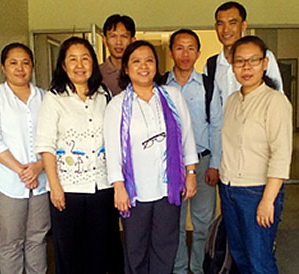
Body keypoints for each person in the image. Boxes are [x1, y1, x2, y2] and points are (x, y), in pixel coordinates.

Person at [104, 40, 198, 274]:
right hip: (135, 192)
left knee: (166, 245)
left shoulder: (172, 96)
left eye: (149, 60)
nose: (143, 66)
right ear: (126, 68)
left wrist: (191, 173)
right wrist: (118, 187)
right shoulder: (117, 105)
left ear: (156, 65)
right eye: (136, 61)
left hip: (168, 187)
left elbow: (187, 136)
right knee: (135, 248)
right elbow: (112, 149)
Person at [34, 37, 119, 274]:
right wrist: (55, 187)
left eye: (85, 58)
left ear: (93, 63)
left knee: (100, 253)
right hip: (68, 190)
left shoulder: (104, 95)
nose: (79, 64)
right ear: (63, 65)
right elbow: (46, 145)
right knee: (69, 254)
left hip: (102, 188)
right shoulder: (54, 98)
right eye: (72, 59)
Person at [219, 36, 291, 274]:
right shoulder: (231, 101)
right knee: (240, 255)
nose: (246, 67)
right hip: (230, 189)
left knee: (259, 260)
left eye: (253, 60)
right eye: (240, 61)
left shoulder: (275, 102)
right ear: (232, 64)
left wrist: (268, 201)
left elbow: (281, 154)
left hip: (258, 191)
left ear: (265, 63)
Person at [0, 43, 49, 274]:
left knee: (37, 239)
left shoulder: (46, 98)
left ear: (33, 67)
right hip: (6, 182)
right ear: (3, 67)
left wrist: (38, 167)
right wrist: (22, 171)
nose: (20, 68)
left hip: (42, 182)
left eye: (26, 62)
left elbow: (54, 139)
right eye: (13, 63)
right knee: (11, 243)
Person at [165, 29, 223, 274]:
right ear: (171, 52)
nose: (185, 53)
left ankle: (198, 268)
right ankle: (178, 269)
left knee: (202, 223)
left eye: (190, 48)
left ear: (198, 53)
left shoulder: (208, 85)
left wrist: (215, 164)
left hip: (202, 162)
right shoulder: (159, 84)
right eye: (179, 47)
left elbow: (217, 126)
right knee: (173, 224)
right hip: (170, 166)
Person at [207, 1, 284, 109]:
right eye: (220, 24)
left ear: (243, 25)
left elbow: (278, 96)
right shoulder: (211, 65)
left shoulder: (262, 57)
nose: (225, 29)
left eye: (232, 23)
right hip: (224, 125)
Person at [100, 15, 136, 96]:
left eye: (124, 36)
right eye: (113, 36)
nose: (118, 42)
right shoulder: (97, 73)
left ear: (133, 40)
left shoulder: (140, 71)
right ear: (105, 40)